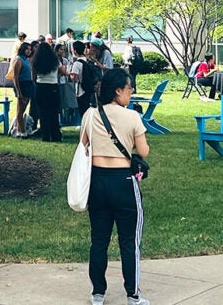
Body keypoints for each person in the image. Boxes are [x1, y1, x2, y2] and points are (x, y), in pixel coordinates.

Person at [80, 68, 151, 305]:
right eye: (129, 88)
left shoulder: (90, 115)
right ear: (118, 90)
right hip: (123, 181)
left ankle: (97, 293)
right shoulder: (131, 117)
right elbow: (143, 151)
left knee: (99, 240)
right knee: (129, 240)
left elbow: (84, 144)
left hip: (97, 181)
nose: (131, 93)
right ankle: (133, 294)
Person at [32, 41, 64, 142]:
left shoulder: (36, 61)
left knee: (43, 113)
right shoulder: (55, 60)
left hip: (40, 87)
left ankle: (45, 136)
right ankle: (55, 136)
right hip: (53, 87)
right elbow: (62, 71)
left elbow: (33, 76)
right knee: (54, 113)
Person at [9, 42, 34, 137]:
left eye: (30, 49)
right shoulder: (18, 60)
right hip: (22, 85)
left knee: (24, 107)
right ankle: (21, 131)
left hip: (28, 84)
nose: (29, 51)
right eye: (27, 49)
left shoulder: (27, 60)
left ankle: (20, 129)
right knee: (20, 109)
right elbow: (15, 77)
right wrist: (18, 91)